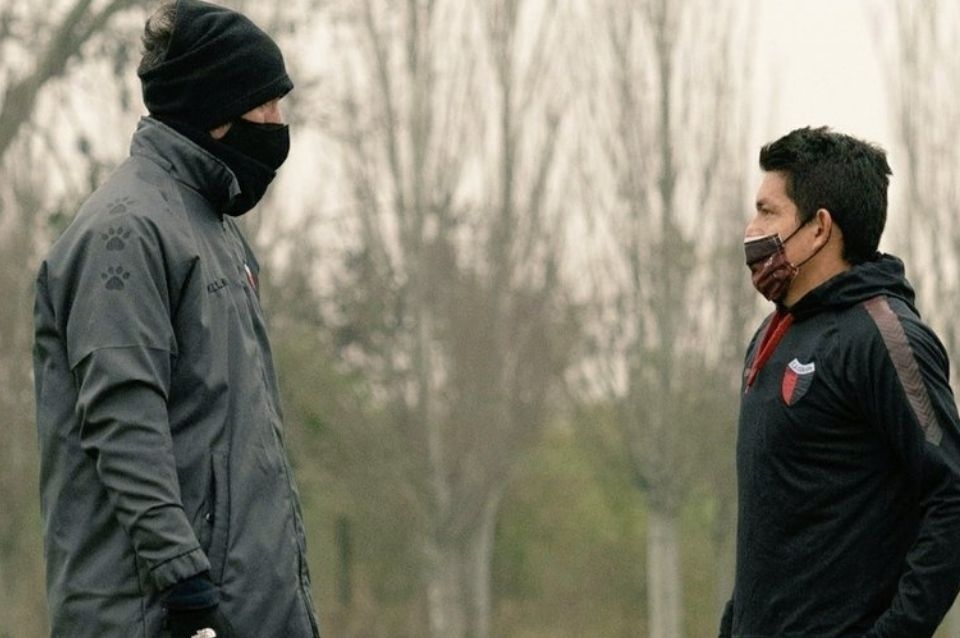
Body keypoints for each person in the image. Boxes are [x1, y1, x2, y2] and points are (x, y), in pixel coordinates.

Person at [32, 1, 321, 636]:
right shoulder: (125, 232)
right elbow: (123, 419)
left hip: (240, 608)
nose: (279, 124)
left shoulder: (212, 228)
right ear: (217, 110)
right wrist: (184, 583)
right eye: (267, 104)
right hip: (162, 615)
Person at [720, 126, 960, 637]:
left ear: (819, 228)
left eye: (767, 212)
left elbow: (953, 499)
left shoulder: (885, 338)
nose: (752, 230)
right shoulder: (772, 334)